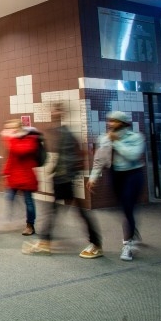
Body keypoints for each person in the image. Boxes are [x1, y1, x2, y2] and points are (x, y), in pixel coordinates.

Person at [22, 103, 102, 258]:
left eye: (57, 110)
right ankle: (46, 241)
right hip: (61, 178)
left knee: (66, 211)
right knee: (56, 211)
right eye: (53, 110)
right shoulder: (57, 131)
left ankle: (95, 243)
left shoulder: (66, 133)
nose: (53, 112)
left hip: (64, 179)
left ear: (62, 113)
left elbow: (73, 156)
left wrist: (64, 174)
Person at [88, 110, 146, 261]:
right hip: (115, 175)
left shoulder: (136, 137)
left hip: (133, 175)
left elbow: (133, 155)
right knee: (123, 208)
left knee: (128, 206)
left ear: (123, 123)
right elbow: (99, 159)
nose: (110, 123)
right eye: (109, 120)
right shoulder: (104, 138)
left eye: (114, 121)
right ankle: (132, 231)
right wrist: (93, 177)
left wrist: (116, 142)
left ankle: (128, 245)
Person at [1, 119, 41, 236]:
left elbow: (20, 151)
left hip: (26, 176)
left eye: (11, 128)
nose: (9, 131)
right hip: (14, 175)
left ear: (19, 128)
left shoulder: (30, 139)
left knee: (28, 201)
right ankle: (12, 218)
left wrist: (9, 138)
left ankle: (30, 225)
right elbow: (11, 157)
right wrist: (5, 171)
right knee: (9, 197)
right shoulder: (14, 140)